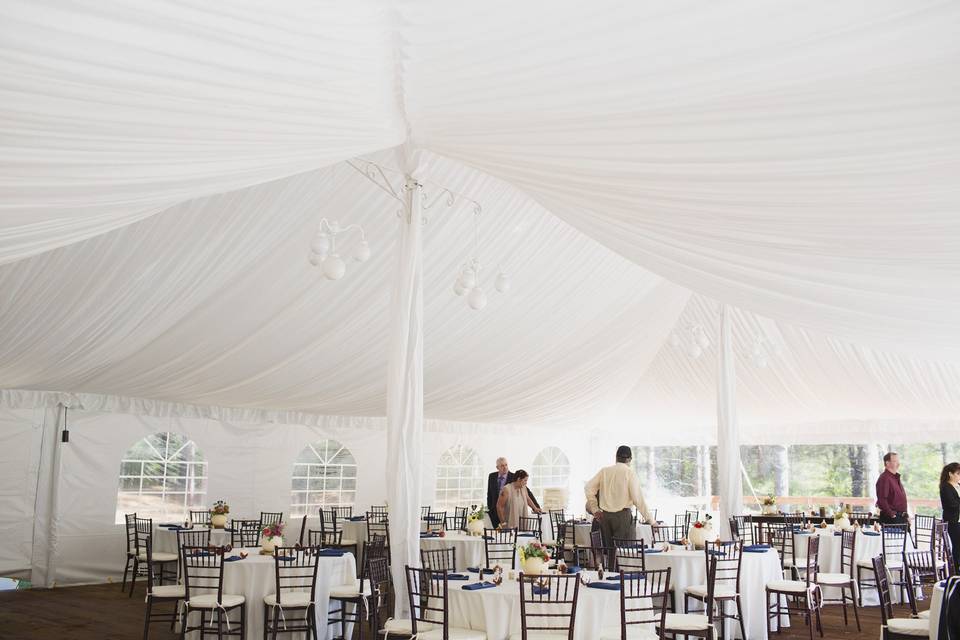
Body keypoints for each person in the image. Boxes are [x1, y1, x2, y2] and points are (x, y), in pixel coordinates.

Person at [584, 445, 655, 551]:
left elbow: (588, 487)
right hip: (623, 517)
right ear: (630, 459)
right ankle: (620, 568)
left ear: (616, 457)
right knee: (624, 552)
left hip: (605, 517)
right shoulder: (629, 473)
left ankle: (610, 568)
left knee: (609, 553)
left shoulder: (604, 471)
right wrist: (651, 521)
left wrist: (595, 509)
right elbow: (638, 499)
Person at [487, 457, 541, 528]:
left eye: (506, 465)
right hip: (495, 512)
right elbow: (489, 494)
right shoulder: (492, 476)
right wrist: (490, 508)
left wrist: (536, 507)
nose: (505, 467)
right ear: (497, 467)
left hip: (509, 512)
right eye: (502, 465)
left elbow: (528, 496)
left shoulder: (514, 477)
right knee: (496, 536)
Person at [876, 451, 909, 526]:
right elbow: (882, 499)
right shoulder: (884, 478)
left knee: (907, 537)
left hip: (901, 518)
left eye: (898, 461)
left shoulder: (895, 478)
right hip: (892, 519)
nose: (898, 463)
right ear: (887, 463)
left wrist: (906, 516)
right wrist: (891, 514)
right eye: (895, 461)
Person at [940, 462, 960, 572]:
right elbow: (952, 504)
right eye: (957, 474)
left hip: (957, 520)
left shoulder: (956, 486)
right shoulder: (946, 487)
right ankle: (956, 572)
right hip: (953, 522)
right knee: (957, 546)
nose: (959, 476)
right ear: (950, 474)